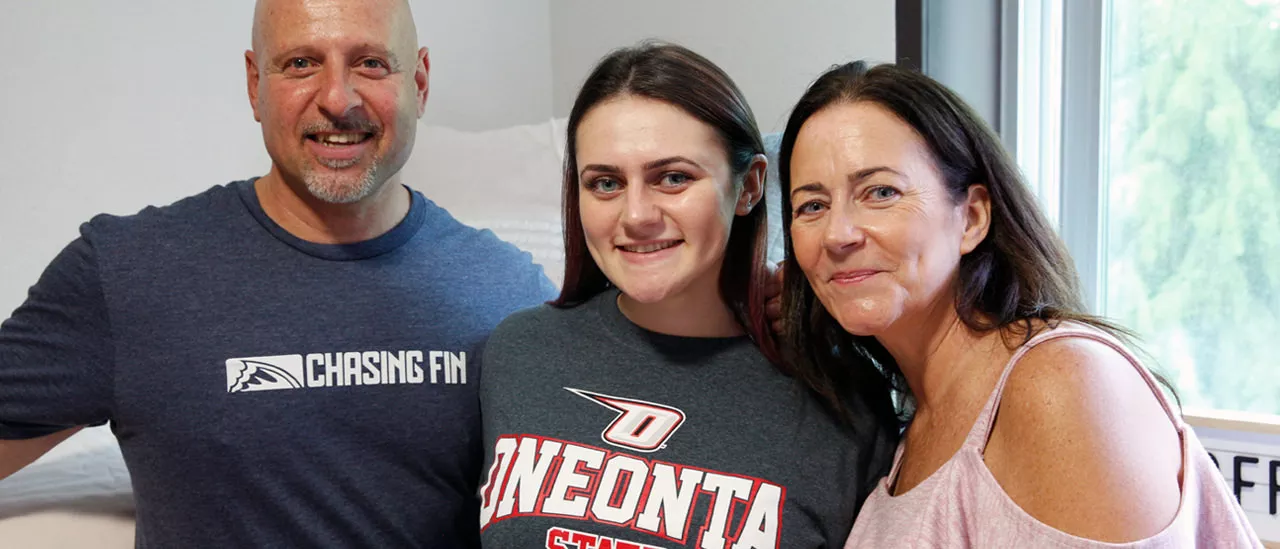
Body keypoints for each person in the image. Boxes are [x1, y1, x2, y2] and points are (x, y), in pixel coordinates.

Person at [0, 0, 556, 546]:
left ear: (421, 82)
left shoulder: (510, 295)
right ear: (253, 85)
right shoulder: (127, 272)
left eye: (371, 63)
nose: (338, 99)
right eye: (300, 63)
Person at [777, 60, 1261, 547]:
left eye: (880, 192)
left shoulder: (1057, 382)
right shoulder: (913, 426)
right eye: (812, 206)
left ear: (971, 218)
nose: (838, 234)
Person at [476, 43, 897, 549]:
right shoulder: (520, 353)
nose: (636, 216)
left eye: (673, 178)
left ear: (749, 187)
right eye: (606, 183)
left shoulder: (840, 395)